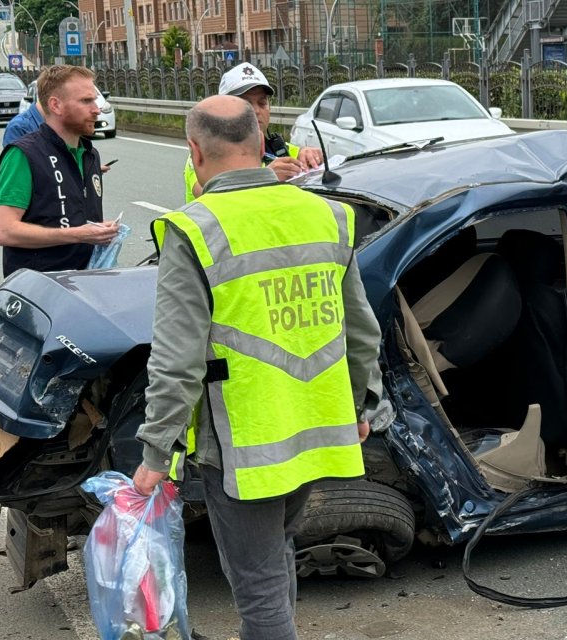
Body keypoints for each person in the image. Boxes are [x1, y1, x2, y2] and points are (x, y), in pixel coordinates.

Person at [133, 95, 382, 640]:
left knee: (259, 587)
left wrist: (155, 452)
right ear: (258, 142)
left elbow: (176, 359)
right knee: (275, 559)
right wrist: (364, 406)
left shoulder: (194, 228)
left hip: (242, 443)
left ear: (195, 151)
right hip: (316, 431)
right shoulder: (328, 214)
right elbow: (361, 330)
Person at [0, 65, 118, 277]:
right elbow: (5, 231)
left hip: (87, 284)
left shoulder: (89, 154)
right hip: (40, 289)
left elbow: (74, 219)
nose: (96, 109)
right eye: (86, 101)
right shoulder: (23, 154)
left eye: (95, 100)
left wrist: (98, 232)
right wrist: (77, 235)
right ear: (56, 105)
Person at [182, 63, 324, 202]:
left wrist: (309, 156)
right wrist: (265, 177)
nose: (256, 110)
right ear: (222, 107)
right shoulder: (205, 155)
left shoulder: (278, 149)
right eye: (246, 104)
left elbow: (299, 156)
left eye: (262, 103)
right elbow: (211, 197)